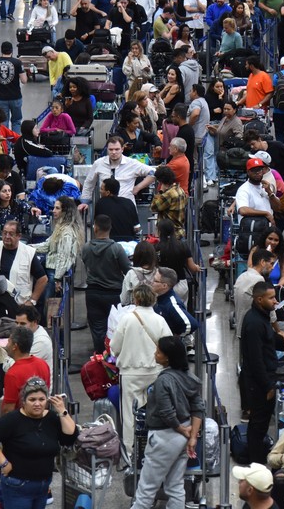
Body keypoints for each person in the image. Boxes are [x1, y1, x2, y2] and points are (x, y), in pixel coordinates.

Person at [130, 336, 205, 509]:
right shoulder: (189, 377)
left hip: (165, 437)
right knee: (175, 486)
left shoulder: (164, 380)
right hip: (184, 436)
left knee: (146, 489)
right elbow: (198, 407)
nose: (155, 354)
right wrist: (192, 435)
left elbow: (166, 412)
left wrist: (180, 429)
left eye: (158, 352)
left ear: (168, 357)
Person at [0, 377, 78, 509]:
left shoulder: (52, 418)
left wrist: (62, 411)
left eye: (41, 399)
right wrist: (3, 463)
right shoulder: (13, 420)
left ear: (47, 401)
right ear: (24, 401)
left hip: (43, 485)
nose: (37, 404)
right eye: (32, 400)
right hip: (17, 485)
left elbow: (70, 437)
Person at [109, 283, 172, 450]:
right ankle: (155, 447)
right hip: (156, 372)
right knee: (157, 410)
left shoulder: (126, 319)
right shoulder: (160, 320)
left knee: (130, 414)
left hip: (130, 373)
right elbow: (169, 346)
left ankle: (131, 451)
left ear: (136, 299)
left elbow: (114, 347)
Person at [240, 281, 281, 463]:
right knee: (258, 424)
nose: (275, 301)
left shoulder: (262, 317)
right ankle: (255, 463)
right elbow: (255, 360)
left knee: (261, 424)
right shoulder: (254, 323)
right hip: (258, 384)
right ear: (259, 299)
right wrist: (268, 386)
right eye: (271, 298)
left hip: (263, 379)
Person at [81, 214, 131, 354]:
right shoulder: (117, 249)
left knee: (97, 328)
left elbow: (85, 263)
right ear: (110, 228)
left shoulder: (86, 248)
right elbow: (127, 270)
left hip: (93, 293)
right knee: (115, 327)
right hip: (114, 293)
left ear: (95, 228)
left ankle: (99, 355)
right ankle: (112, 355)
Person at [0, 220, 48, 306]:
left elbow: (43, 279)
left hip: (18, 305)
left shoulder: (28, 253)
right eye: (4, 233)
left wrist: (32, 301)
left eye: (11, 234)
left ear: (19, 236)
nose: (7, 236)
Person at [33, 197, 83, 323]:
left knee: (48, 307)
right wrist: (25, 248)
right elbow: (47, 245)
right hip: (52, 272)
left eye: (57, 208)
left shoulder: (66, 232)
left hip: (54, 273)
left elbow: (64, 256)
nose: (53, 210)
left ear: (65, 211)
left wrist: (57, 279)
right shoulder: (60, 228)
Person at [80, 137, 156, 209]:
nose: (113, 152)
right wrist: (85, 201)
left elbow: (154, 173)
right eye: (111, 149)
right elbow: (89, 183)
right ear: (107, 149)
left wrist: (138, 188)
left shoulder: (132, 163)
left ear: (122, 149)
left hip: (126, 206)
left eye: (117, 149)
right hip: (106, 207)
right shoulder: (99, 163)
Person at [0, 327, 51, 415]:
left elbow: (8, 410)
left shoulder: (12, 374)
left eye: (9, 342)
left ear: (14, 347)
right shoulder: (43, 364)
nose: (7, 345)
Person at [0, 41, 27, 129]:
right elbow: (24, 81)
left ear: (1, 50)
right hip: (16, 97)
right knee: (16, 121)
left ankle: (4, 143)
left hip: (1, 98)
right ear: (12, 51)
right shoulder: (17, 63)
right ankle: (15, 141)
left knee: (3, 122)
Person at [11, 306, 53, 373]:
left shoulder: (41, 342)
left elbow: (20, 366)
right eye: (17, 323)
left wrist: (4, 358)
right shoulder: (25, 334)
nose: (18, 327)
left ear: (34, 322)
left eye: (22, 324)